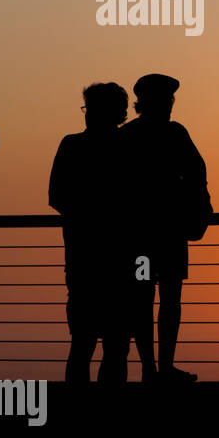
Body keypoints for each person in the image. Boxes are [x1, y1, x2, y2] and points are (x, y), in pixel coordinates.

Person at [119, 74, 211, 383]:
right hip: (156, 233)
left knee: (155, 299)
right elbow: (197, 173)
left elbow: (198, 172)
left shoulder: (134, 135)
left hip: (152, 234)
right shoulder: (168, 134)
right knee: (159, 299)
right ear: (147, 103)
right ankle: (157, 366)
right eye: (165, 100)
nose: (169, 106)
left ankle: (155, 367)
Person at [49, 83, 132, 383]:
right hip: (118, 258)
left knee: (86, 342)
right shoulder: (128, 148)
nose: (88, 115)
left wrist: (84, 215)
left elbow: (56, 195)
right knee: (114, 344)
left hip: (84, 256)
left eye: (92, 109)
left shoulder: (72, 146)